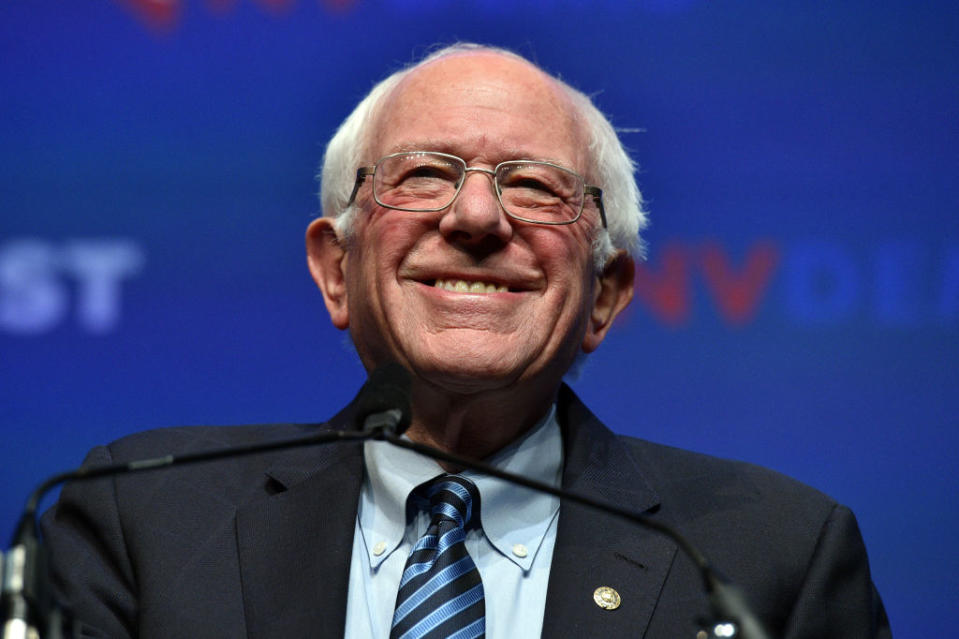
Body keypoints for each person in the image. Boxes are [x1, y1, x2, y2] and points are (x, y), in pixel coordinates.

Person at [41, 44, 891, 638]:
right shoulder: (142, 521)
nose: (476, 217)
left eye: (534, 185)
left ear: (606, 295)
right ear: (336, 270)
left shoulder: (769, 554)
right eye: (422, 174)